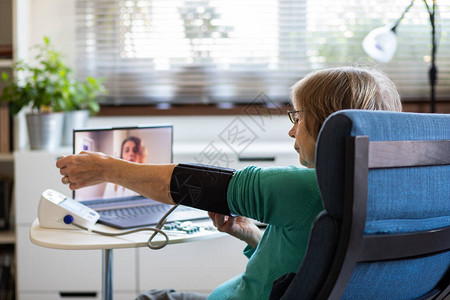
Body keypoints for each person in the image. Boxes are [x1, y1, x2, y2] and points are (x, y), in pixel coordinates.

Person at [56, 66, 402, 300]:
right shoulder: (386, 191)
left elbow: (187, 184)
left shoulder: (307, 188)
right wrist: (250, 234)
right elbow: (307, 261)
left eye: (299, 117)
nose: (292, 129)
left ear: (328, 124)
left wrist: (105, 168)